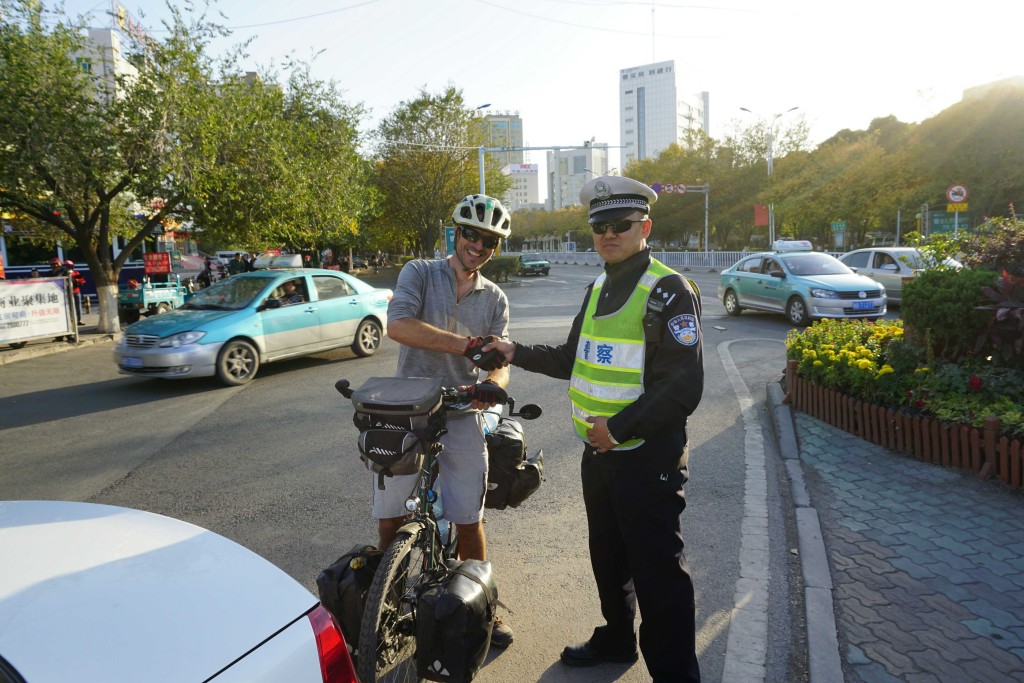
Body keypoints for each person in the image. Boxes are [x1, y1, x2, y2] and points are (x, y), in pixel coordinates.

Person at [485, 176, 705, 681]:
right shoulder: (599, 285)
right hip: (599, 452)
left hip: (647, 456)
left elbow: (683, 386)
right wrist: (514, 351)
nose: (609, 234)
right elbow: (571, 357)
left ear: (644, 227)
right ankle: (616, 638)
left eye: (620, 225)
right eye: (600, 226)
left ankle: (675, 674)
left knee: (658, 573)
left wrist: (620, 427)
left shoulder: (668, 290)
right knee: (608, 556)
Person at [376, 193, 514, 647]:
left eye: (489, 239)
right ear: (455, 232)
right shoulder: (419, 272)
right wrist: (466, 345)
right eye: (471, 233)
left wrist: (493, 379)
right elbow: (398, 326)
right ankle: (383, 602)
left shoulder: (494, 297)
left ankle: (483, 607)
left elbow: (501, 356)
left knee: (469, 517)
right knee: (390, 515)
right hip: (406, 406)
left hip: (461, 408)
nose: (478, 244)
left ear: (495, 247)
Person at [64, 260, 85, 325]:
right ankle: (71, 320)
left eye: (70, 266)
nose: (69, 268)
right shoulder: (63, 274)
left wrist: (76, 280)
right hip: (67, 293)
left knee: (78, 307)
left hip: (76, 292)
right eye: (67, 266)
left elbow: (83, 281)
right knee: (69, 307)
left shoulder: (76, 273)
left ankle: (79, 320)